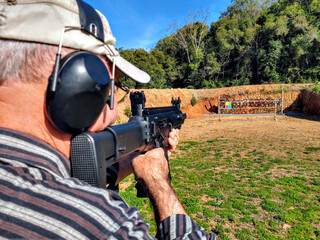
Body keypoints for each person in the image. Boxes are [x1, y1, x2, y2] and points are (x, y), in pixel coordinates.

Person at [0, 0, 216, 239]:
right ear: (77, 86)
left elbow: (69, 173)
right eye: (111, 87)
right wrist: (157, 179)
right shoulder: (99, 224)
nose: (112, 112)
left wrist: (135, 158)